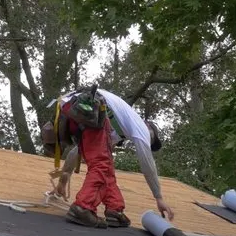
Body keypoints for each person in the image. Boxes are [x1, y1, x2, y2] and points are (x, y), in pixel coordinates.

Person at [53, 88, 174, 228]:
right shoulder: (141, 127)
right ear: (148, 126)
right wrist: (159, 197)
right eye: (151, 138)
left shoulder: (116, 129)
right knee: (101, 164)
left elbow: (77, 151)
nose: (148, 142)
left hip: (74, 107)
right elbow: (147, 165)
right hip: (89, 106)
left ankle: (114, 209)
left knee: (107, 164)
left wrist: (64, 179)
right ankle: (82, 208)